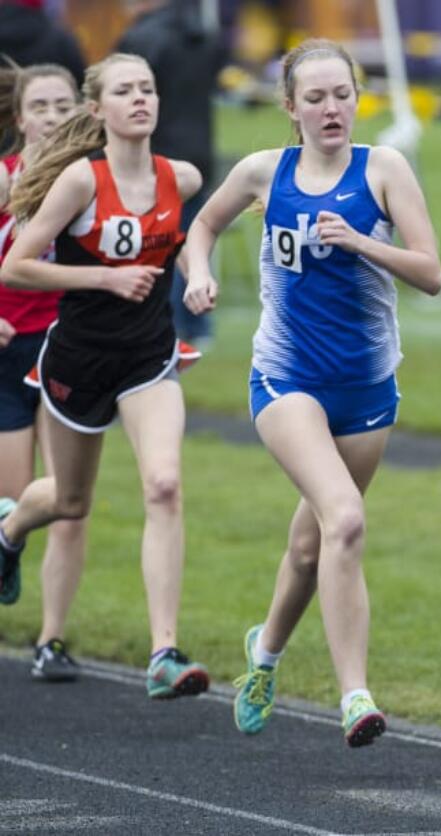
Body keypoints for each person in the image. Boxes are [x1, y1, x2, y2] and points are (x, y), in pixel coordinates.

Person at [181, 39, 441, 747]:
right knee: (345, 516)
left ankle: (263, 655)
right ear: (290, 107)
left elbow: (429, 272)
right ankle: (355, 696)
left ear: (359, 99)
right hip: (285, 377)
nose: (332, 109)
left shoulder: (383, 169)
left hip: (365, 387)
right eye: (317, 97)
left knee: (310, 546)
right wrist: (197, 274)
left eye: (343, 95)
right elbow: (201, 224)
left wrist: (363, 243)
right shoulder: (266, 172)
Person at [0, 52, 210, 699]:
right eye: (125, 91)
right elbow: (16, 267)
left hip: (148, 357)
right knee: (68, 500)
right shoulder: (80, 183)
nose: (141, 99)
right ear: (99, 110)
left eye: (148, 88)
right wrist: (103, 277)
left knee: (165, 484)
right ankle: (7, 530)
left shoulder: (184, 176)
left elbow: (193, 233)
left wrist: (197, 272)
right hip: (77, 360)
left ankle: (164, 654)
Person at [0, 59, 88, 681]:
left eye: (64, 105)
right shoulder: (4, 180)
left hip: (70, 351)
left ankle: (52, 640)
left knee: (68, 501)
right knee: (13, 503)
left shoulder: (93, 182)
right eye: (42, 107)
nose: (53, 117)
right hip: (8, 352)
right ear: (20, 117)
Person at [118, 0, 225, 347]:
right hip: (199, 151)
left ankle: (171, 326)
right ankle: (199, 324)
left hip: (158, 154)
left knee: (161, 243)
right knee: (193, 239)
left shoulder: (141, 39)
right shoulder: (202, 33)